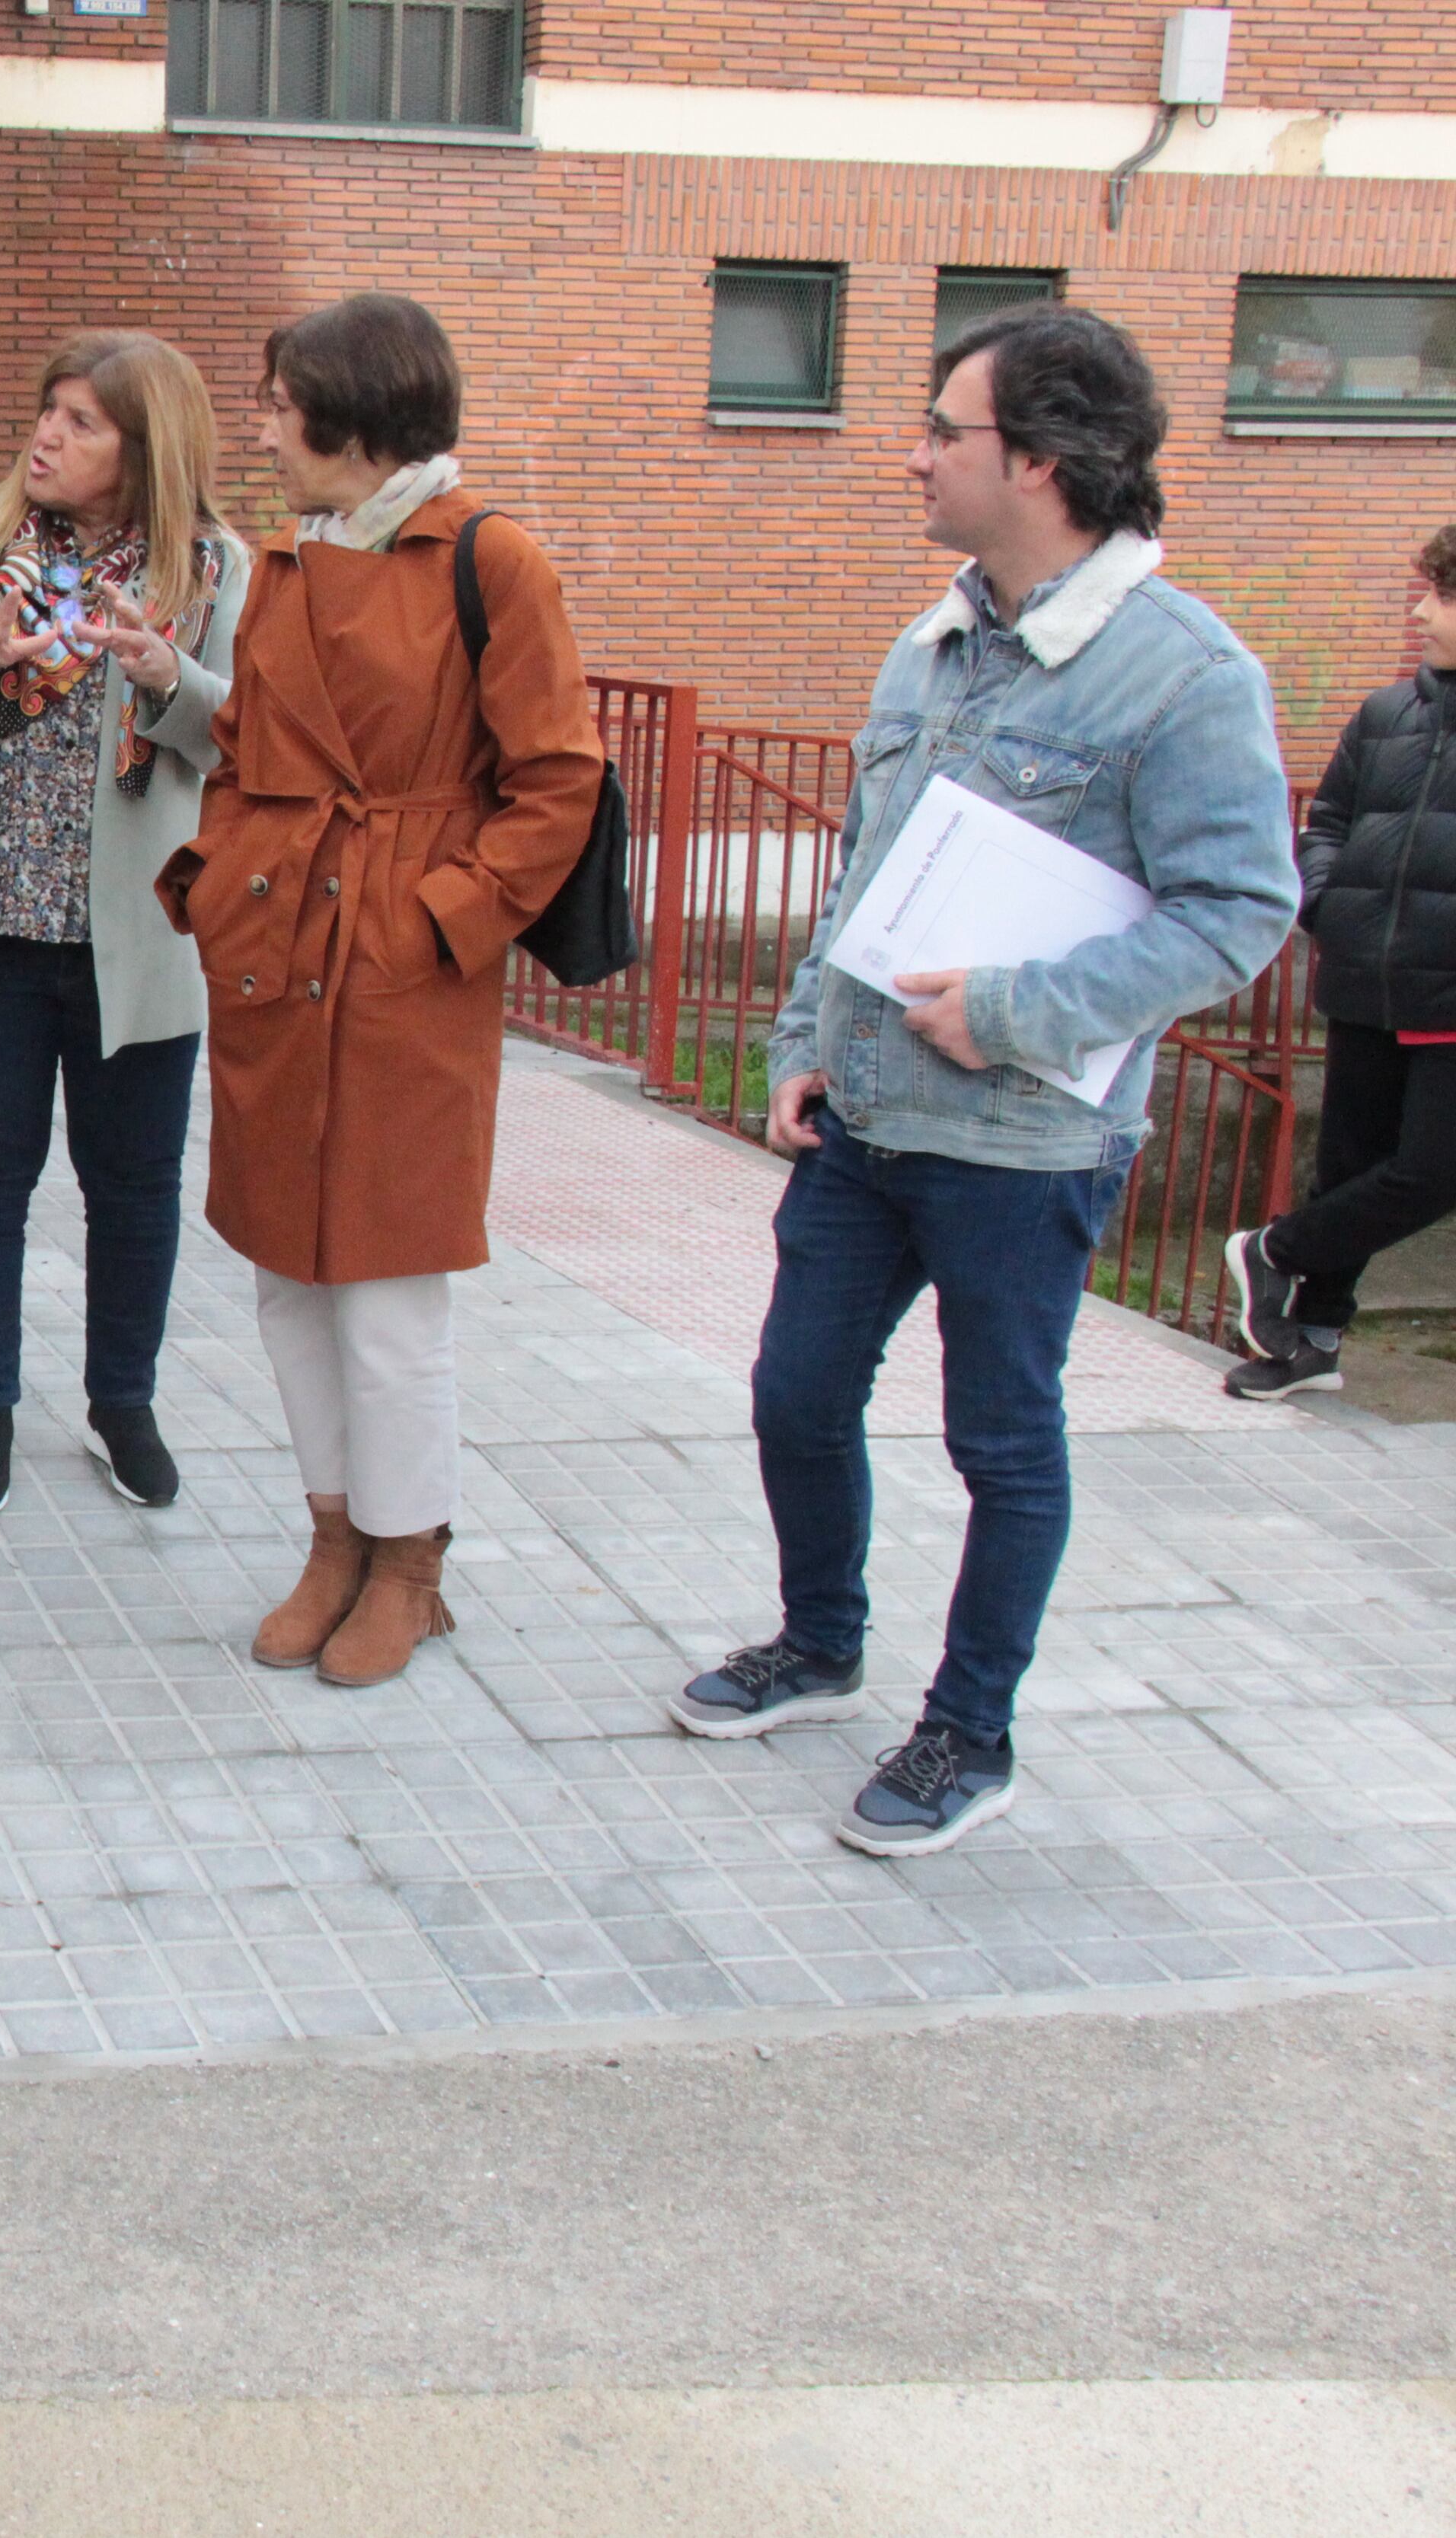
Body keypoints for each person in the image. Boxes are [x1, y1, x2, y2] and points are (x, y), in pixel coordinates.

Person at [669, 304, 1296, 1857]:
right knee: (793, 1392)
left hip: (1022, 1140)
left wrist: (1020, 1006)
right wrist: (803, 1036)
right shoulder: (934, 637)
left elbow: (1242, 912)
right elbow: (863, 871)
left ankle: (972, 1728)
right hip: (868, 1118)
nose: (913, 457)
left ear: (1038, 460)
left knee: (1000, 1443)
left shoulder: (1183, 674)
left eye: (940, 432)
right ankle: (820, 1643)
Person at [166, 294, 601, 1687]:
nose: (268, 425)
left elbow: (558, 783)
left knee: (390, 1289)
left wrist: (435, 921)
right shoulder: (289, 562)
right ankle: (335, 1537)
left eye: (284, 401)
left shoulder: (491, 557)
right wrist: (215, 876)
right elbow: (239, 753)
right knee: (288, 1274)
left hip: (404, 965)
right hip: (276, 949)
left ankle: (410, 1562)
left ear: (354, 411)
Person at [0, 330, 249, 1515]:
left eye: (83, 422)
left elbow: (249, 739)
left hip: (138, 942)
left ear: (146, 451)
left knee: (133, 1186)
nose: (46, 436)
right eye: (47, 411)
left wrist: (168, 676)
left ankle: (121, 1402)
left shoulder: (210, 572)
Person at [1223, 523, 1456, 1400]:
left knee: (1430, 1170)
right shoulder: (1386, 714)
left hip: (1447, 998)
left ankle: (1268, 1250)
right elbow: (1325, 823)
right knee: (1349, 1167)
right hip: (1362, 979)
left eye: (1438, 594)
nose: (1418, 610)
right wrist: (1328, 907)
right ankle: (1311, 1340)